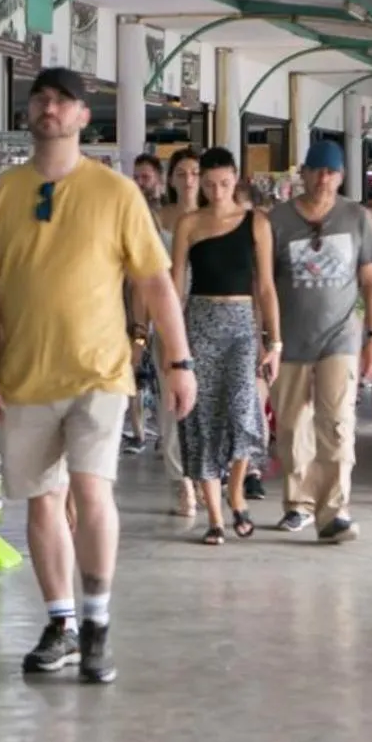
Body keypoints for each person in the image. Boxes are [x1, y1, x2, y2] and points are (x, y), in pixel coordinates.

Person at [0, 68, 195, 685]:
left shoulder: (116, 194)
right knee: (41, 502)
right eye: (40, 100)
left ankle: (97, 622)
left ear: (85, 117)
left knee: (91, 493)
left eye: (63, 101)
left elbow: (154, 282)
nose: (50, 109)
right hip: (23, 378)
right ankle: (60, 622)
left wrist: (178, 360)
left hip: (100, 372)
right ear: (29, 114)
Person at [266, 139, 372, 542]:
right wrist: (265, 338)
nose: (323, 179)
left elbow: (371, 280)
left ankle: (334, 511)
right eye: (316, 171)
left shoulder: (356, 218)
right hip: (288, 340)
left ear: (341, 176)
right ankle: (297, 503)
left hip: (340, 338)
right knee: (291, 426)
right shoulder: (276, 220)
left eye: (331, 172)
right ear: (303, 173)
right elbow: (262, 283)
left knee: (336, 424)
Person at [172, 148, 280, 545]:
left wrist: (275, 341)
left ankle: (236, 490)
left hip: (240, 326)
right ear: (200, 183)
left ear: (236, 179)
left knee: (242, 410)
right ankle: (215, 516)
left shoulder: (256, 223)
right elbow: (175, 283)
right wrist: (173, 342)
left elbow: (266, 286)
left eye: (224, 183)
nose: (217, 191)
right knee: (200, 419)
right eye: (209, 184)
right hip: (198, 323)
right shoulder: (189, 224)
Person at [132, 147, 200, 507]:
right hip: (167, 320)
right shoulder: (155, 220)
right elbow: (145, 281)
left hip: (205, 316)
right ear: (169, 179)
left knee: (204, 401)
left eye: (194, 173)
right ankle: (181, 478)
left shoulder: (214, 218)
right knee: (171, 400)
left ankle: (204, 472)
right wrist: (140, 332)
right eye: (182, 173)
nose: (189, 180)